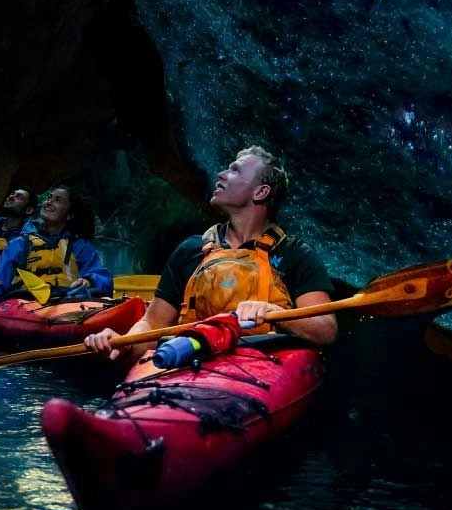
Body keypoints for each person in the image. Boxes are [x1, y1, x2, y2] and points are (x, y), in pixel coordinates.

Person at [84, 146, 336, 362]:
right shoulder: (191, 250)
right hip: (188, 360)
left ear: (261, 192)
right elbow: (152, 326)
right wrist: (124, 342)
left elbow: (325, 330)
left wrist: (274, 312)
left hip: (261, 364)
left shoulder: (295, 254)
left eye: (235, 170)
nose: (221, 173)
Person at [0, 185, 112, 314]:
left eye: (57, 200)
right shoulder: (20, 244)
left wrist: (89, 280)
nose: (48, 202)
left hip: (68, 302)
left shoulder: (80, 246)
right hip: (25, 303)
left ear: (70, 215)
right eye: (48, 198)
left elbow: (100, 275)